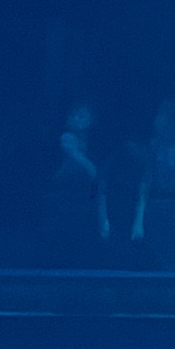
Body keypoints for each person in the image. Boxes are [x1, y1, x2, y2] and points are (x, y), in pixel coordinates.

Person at [132, 97, 175, 270]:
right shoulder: (155, 145)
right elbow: (147, 178)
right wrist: (139, 218)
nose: (157, 121)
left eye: (162, 117)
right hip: (159, 198)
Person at [41, 100, 109, 261]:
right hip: (63, 195)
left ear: (92, 120)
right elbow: (90, 170)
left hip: (83, 197)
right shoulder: (67, 138)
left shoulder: (93, 144)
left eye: (81, 116)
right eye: (73, 115)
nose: (75, 119)